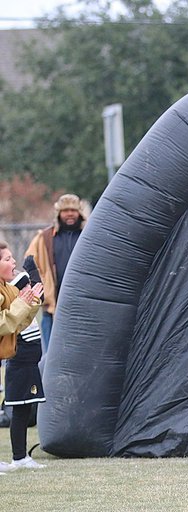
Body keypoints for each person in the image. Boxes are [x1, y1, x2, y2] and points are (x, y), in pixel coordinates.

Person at [0, 241, 45, 474]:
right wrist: (21, 303)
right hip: (16, 359)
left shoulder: (7, 289)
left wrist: (31, 302)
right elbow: (3, 323)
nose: (13, 263)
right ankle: (17, 456)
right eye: (7, 259)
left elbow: (17, 323)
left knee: (25, 407)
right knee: (17, 407)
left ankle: (20, 456)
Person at [25, 193, 87, 354]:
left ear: (79, 212)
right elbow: (29, 261)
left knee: (82, 351)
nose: (70, 214)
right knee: (52, 354)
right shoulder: (45, 237)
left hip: (84, 302)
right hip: (53, 305)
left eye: (73, 210)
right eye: (65, 210)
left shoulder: (89, 234)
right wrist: (42, 289)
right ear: (58, 213)